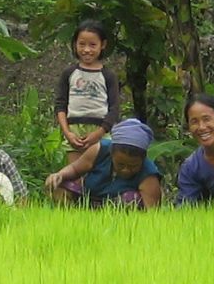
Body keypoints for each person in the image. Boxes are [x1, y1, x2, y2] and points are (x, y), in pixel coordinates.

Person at [51, 18, 122, 205]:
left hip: (100, 130)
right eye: (82, 44)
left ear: (103, 45)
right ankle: (75, 213)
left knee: (99, 175)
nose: (86, 50)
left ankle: (99, 208)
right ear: (75, 44)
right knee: (75, 177)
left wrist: (99, 133)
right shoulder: (69, 73)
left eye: (92, 45)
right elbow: (60, 105)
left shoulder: (108, 75)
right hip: (74, 130)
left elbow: (114, 108)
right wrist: (67, 133)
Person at [46, 118, 161, 209]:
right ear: (111, 152)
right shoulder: (100, 149)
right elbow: (75, 169)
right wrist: (59, 175)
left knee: (132, 200)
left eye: (133, 166)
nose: (126, 170)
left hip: (118, 211)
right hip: (88, 200)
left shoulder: (148, 174)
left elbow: (152, 213)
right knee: (60, 185)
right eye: (120, 164)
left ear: (142, 159)